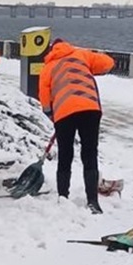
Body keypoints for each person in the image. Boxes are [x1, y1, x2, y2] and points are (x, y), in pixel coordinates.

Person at [38, 38, 114, 214]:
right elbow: (107, 63)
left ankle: (63, 197)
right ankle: (93, 202)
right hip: (90, 109)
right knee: (89, 153)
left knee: (65, 154)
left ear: (50, 50)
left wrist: (52, 115)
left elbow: (44, 97)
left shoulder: (48, 67)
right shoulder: (80, 55)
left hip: (64, 113)